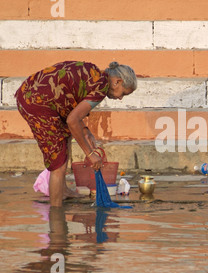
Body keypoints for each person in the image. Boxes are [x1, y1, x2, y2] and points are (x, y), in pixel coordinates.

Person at [15, 61, 137, 207]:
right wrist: (90, 154)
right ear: (118, 81)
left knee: (65, 139)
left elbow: (70, 103)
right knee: (58, 163)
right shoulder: (101, 87)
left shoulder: (96, 74)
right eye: (123, 93)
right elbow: (72, 120)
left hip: (31, 94)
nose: (120, 98)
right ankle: (56, 213)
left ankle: (64, 191)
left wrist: (85, 131)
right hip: (37, 103)